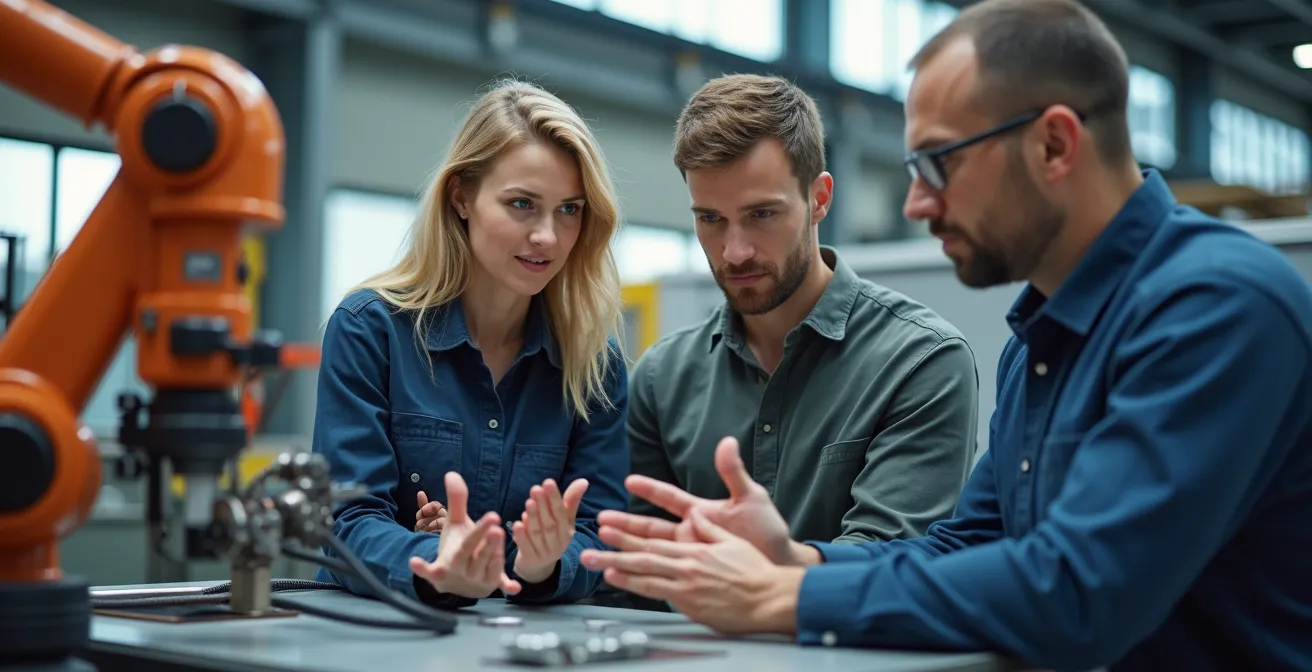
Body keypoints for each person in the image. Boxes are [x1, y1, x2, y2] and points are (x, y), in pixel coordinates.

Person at [577, 1, 1312, 670]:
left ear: (1054, 146)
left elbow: (1080, 589)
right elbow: (966, 546)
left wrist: (783, 600)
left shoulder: (1217, 304)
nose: (917, 202)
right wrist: (798, 562)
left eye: (939, 162)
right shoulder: (1041, 334)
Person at [626, 74, 979, 554]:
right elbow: (633, 574)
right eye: (710, 219)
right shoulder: (659, 380)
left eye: (761, 214)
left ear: (819, 198)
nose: (734, 252)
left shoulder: (920, 362)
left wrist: (779, 566)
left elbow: (894, 565)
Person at [314, 79, 630, 609]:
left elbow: (599, 532)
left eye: (569, 209)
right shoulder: (370, 331)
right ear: (461, 196)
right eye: (522, 204)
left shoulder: (595, 364)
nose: (548, 237)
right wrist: (430, 562)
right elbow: (344, 520)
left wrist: (544, 565)